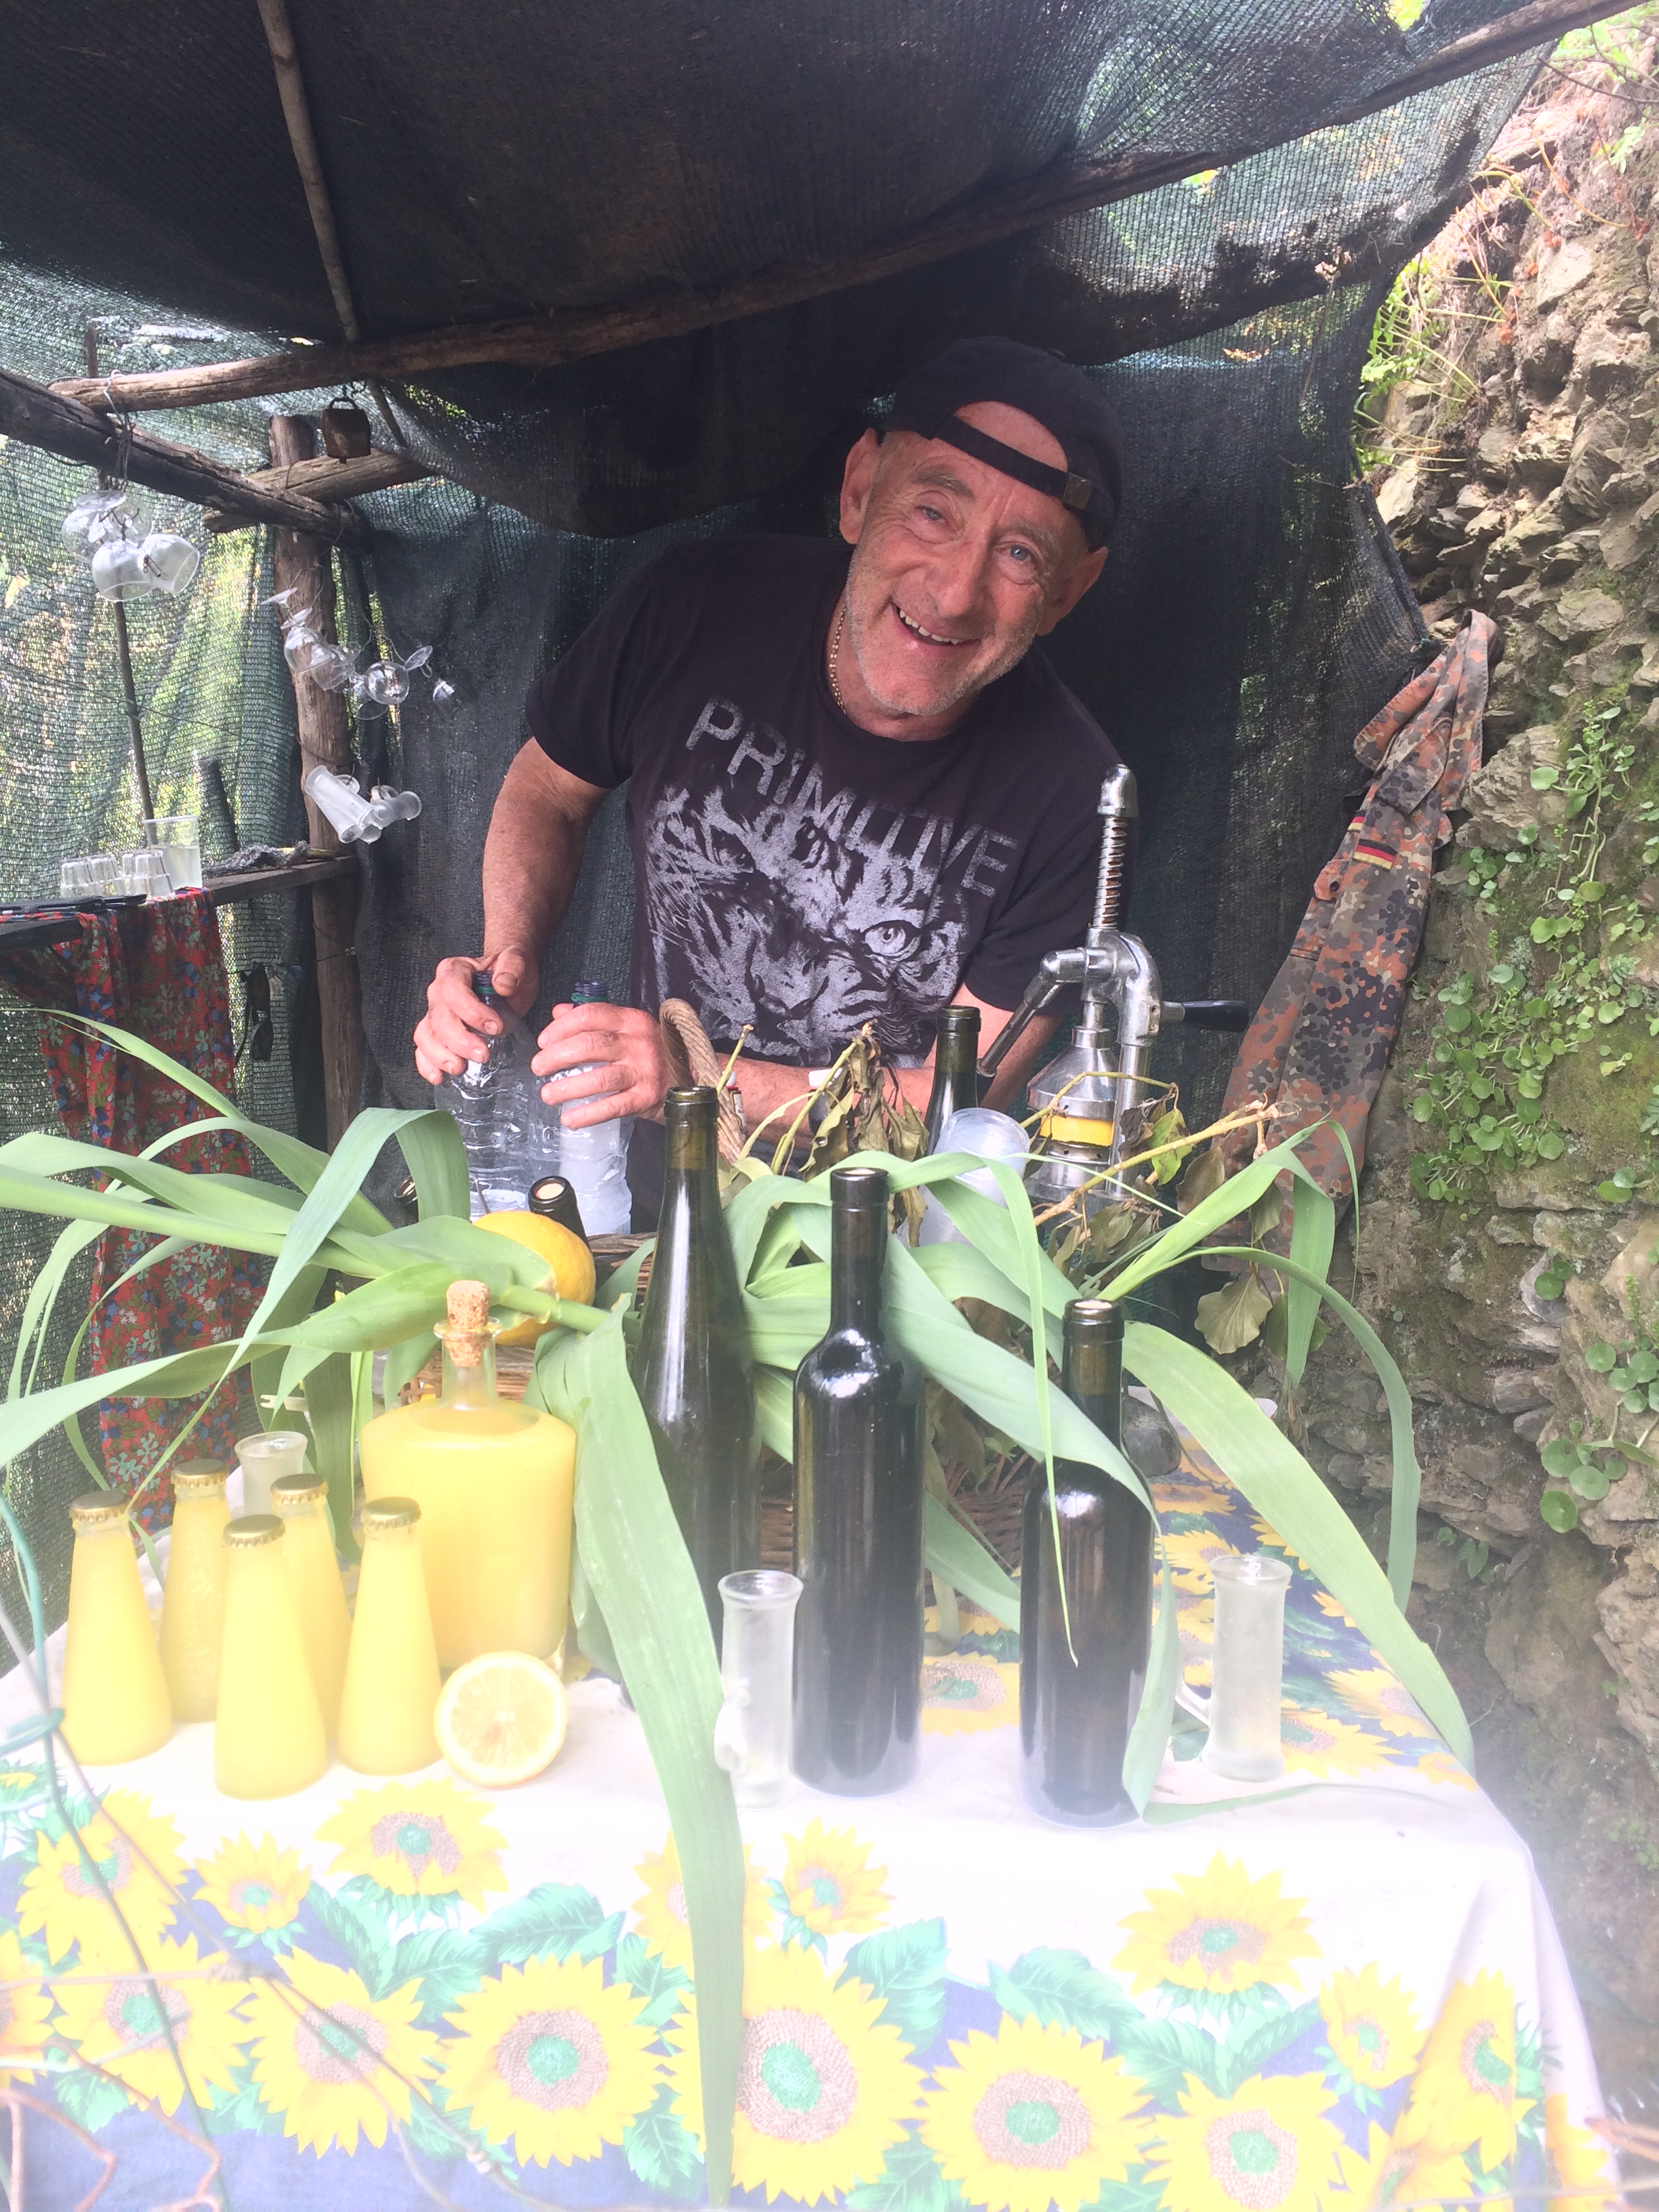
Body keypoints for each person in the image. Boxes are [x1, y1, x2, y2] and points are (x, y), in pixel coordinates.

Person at [413, 336, 1127, 1217]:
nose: (954, 593)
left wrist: (700, 1078)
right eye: (933, 512)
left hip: (875, 1245)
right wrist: (507, 954)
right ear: (860, 490)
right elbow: (550, 788)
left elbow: (955, 1098)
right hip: (646, 1211)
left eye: (1020, 554)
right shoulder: (692, 607)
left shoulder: (1079, 801)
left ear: (1069, 591)